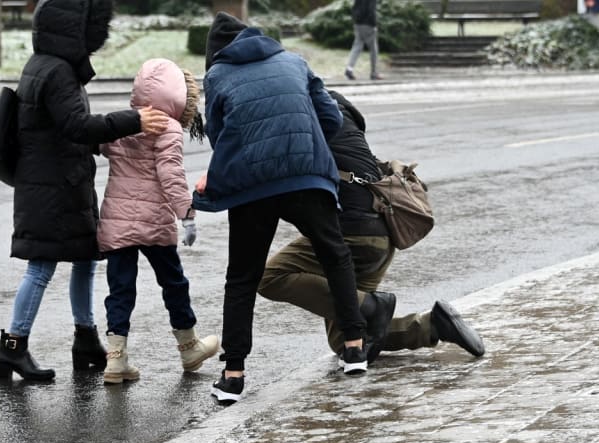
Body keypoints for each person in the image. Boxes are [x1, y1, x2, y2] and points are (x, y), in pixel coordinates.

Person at [195, 12, 390, 405]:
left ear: (215, 53)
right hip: (306, 177)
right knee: (334, 255)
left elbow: (219, 134)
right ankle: (354, 347)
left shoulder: (216, 75)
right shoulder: (294, 60)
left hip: (253, 185)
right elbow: (331, 118)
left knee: (242, 277)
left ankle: (233, 376)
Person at [0, 0, 169, 382]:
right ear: (74, 30)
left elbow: (62, 127)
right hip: (53, 187)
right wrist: (134, 121)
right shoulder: (56, 71)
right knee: (41, 266)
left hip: (63, 181)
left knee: (85, 261)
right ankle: (13, 347)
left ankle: (85, 340)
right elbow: (76, 125)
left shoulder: (47, 65)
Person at [258, 90, 485, 362]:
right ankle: (432, 325)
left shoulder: (297, 119)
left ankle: (374, 307)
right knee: (346, 341)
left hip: (351, 236)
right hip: (381, 234)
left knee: (269, 277)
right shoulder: (341, 113)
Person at [97, 58, 219, 385]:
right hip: (154, 224)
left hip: (118, 223)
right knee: (174, 284)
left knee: (120, 289)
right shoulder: (168, 128)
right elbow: (171, 176)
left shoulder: (122, 123)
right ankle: (189, 346)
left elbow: (95, 142)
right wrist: (187, 215)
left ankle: (116, 359)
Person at [345, 0, 382, 81]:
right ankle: (374, 73)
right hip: (368, 24)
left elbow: (354, 8)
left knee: (357, 47)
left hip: (357, 24)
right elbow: (371, 10)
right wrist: (374, 24)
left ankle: (349, 69)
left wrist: (355, 20)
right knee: (373, 50)